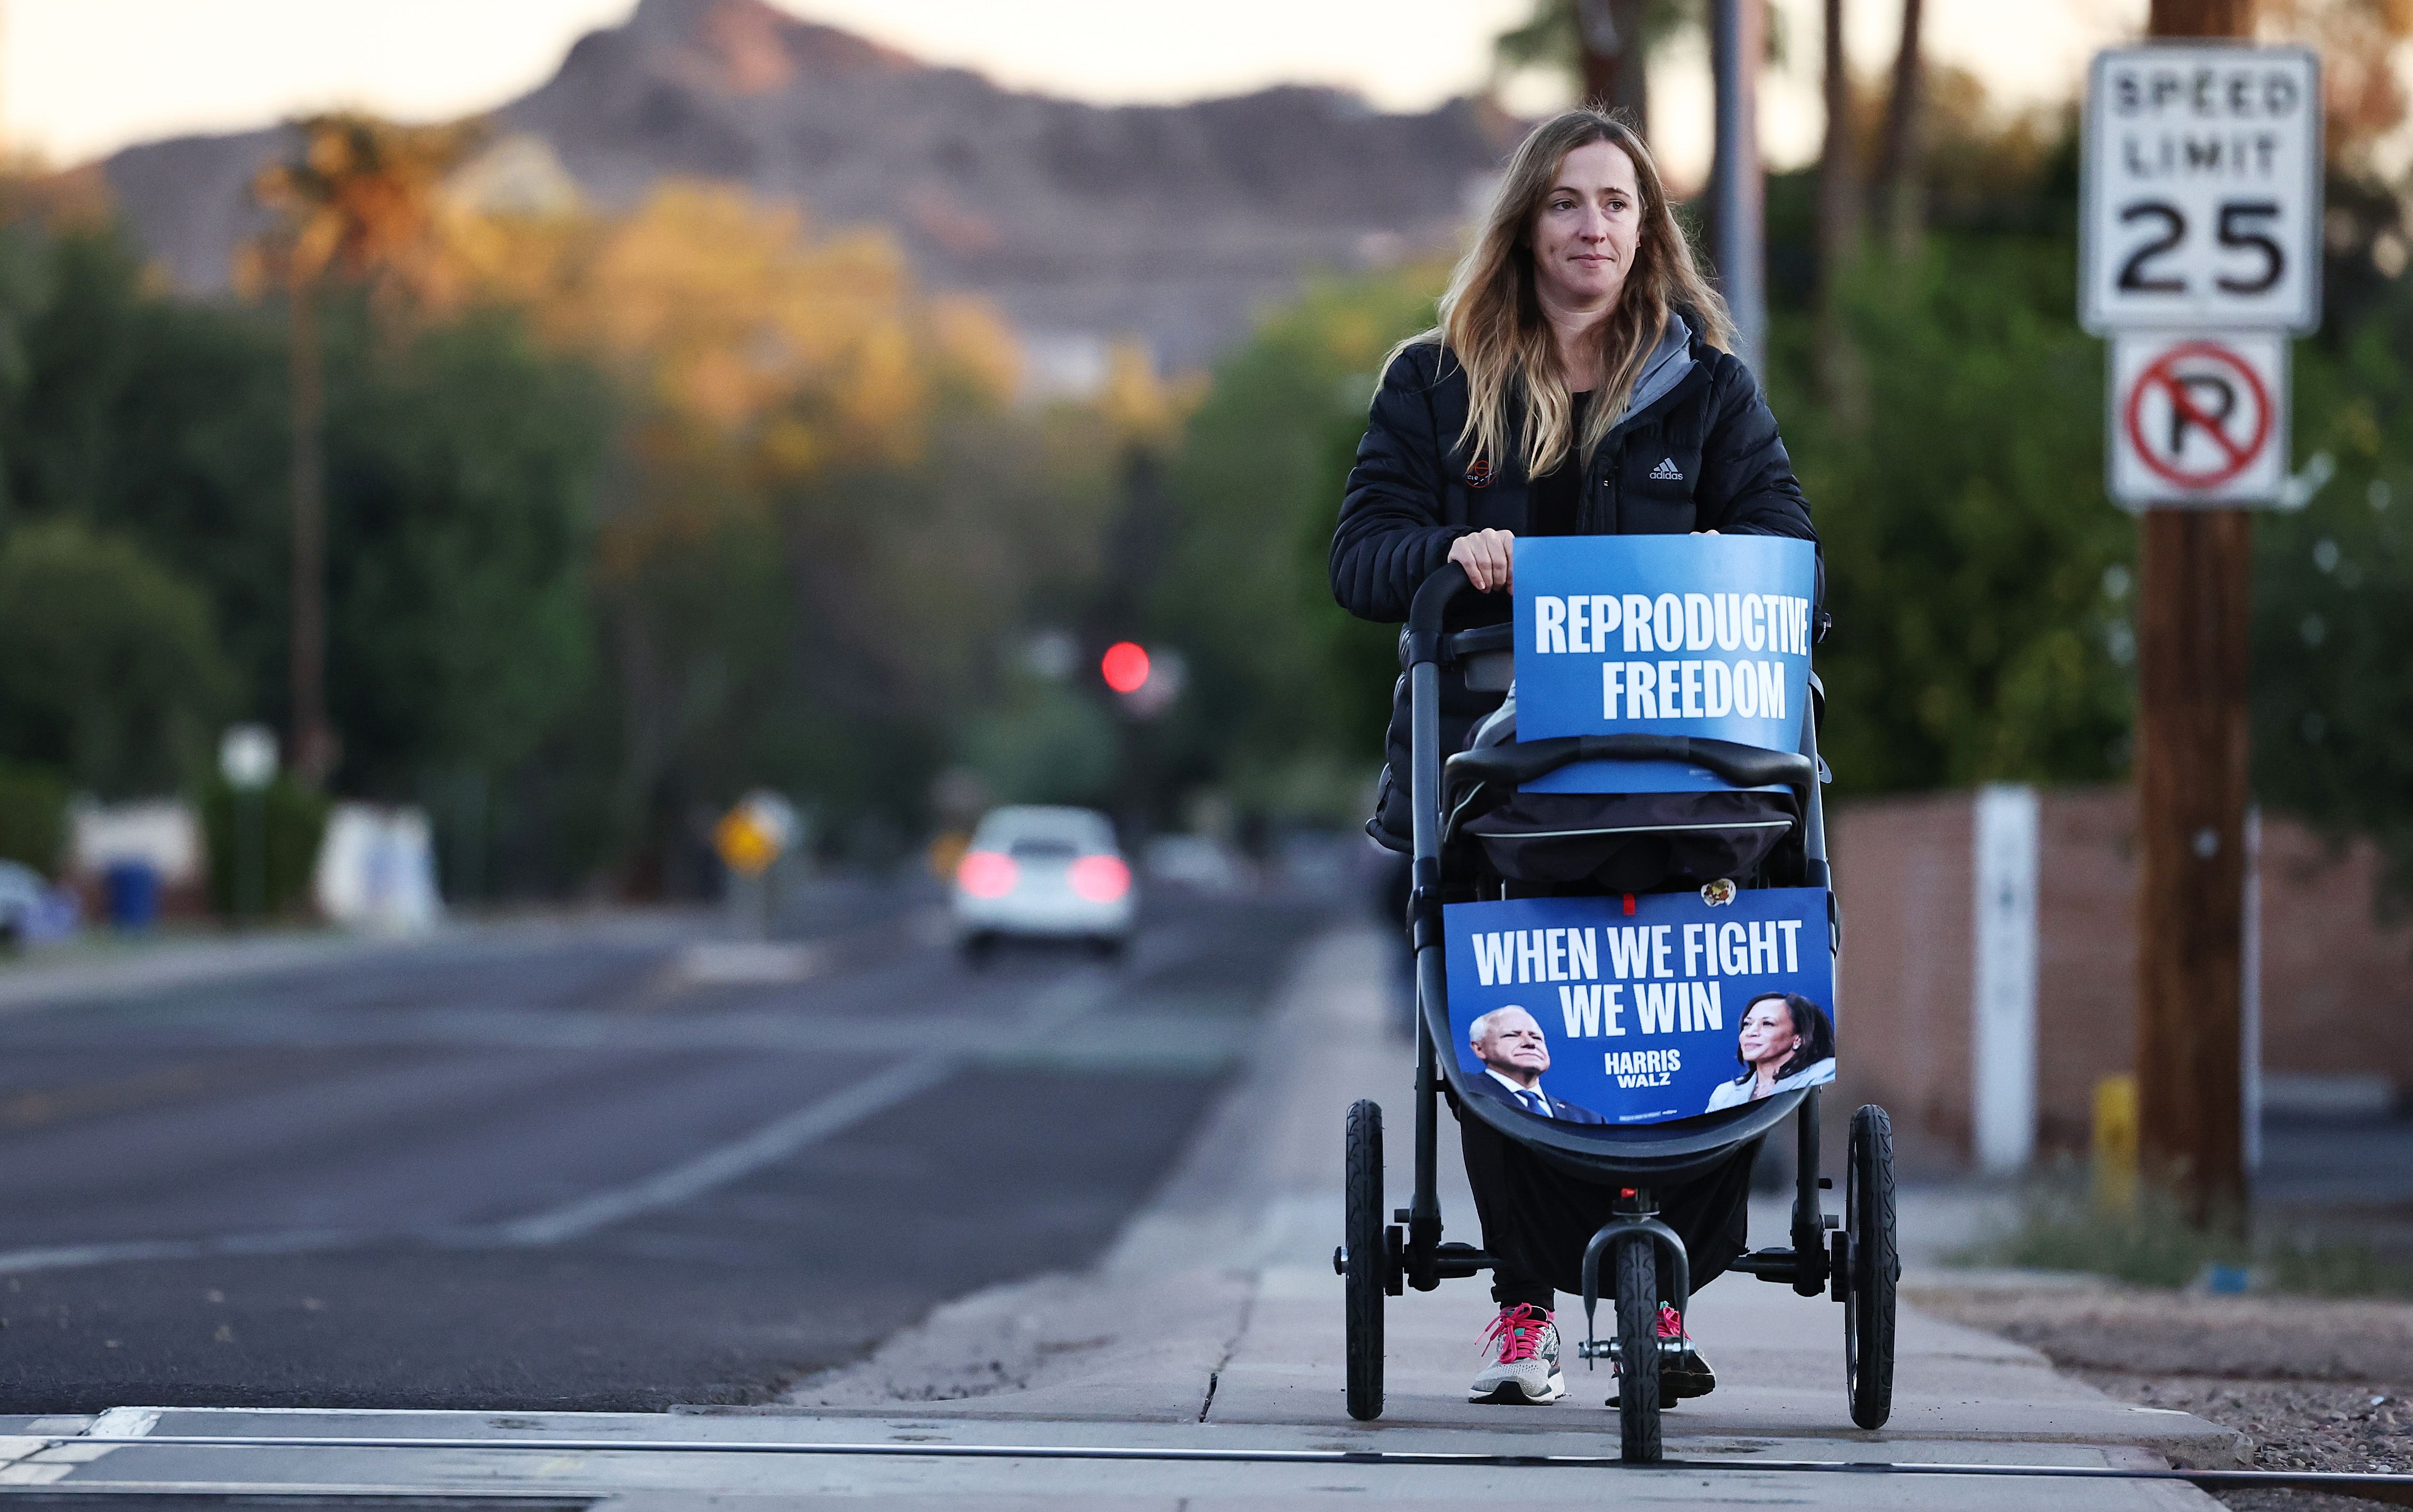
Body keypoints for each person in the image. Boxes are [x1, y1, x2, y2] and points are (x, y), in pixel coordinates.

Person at [1329, 107, 1817, 1412]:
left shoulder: (1705, 388)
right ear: (1523, 227)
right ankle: (1521, 1301)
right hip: (1499, 772)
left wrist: (1715, 565)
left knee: (1712, 991)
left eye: (1613, 202)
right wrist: (1447, 551)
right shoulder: (1433, 382)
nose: (1590, 225)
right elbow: (1358, 555)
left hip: (1679, 761)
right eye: (1562, 202)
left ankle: (1660, 1292)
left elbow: (1782, 541)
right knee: (1506, 998)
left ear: (1645, 228)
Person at [1464, 1007, 1604, 1124]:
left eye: (1537, 1037)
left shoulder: (1588, 1120)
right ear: (1479, 1049)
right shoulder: (1464, 1089)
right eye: (1512, 1035)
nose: (1530, 1043)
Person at [1704, 992, 1836, 1112]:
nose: (1750, 1033)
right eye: (1747, 1024)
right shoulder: (1724, 1095)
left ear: (1799, 1038)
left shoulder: (1826, 1073)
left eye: (1767, 1024)